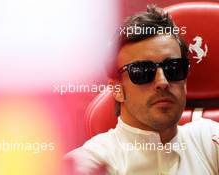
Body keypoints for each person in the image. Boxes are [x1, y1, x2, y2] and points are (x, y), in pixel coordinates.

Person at [64, 4, 219, 175]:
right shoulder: (95, 161)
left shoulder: (208, 139)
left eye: (174, 68)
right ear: (117, 89)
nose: (163, 81)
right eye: (142, 71)